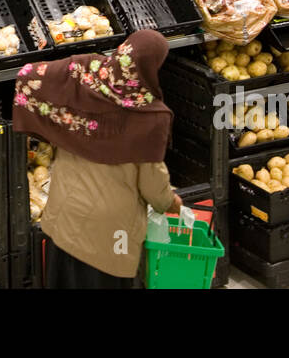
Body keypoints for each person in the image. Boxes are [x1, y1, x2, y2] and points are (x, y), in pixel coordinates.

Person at [12, 29, 181, 289]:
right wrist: (170, 202)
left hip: (66, 214)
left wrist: (48, 122)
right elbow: (152, 184)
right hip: (111, 235)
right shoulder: (149, 116)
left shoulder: (84, 74)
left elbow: (29, 74)